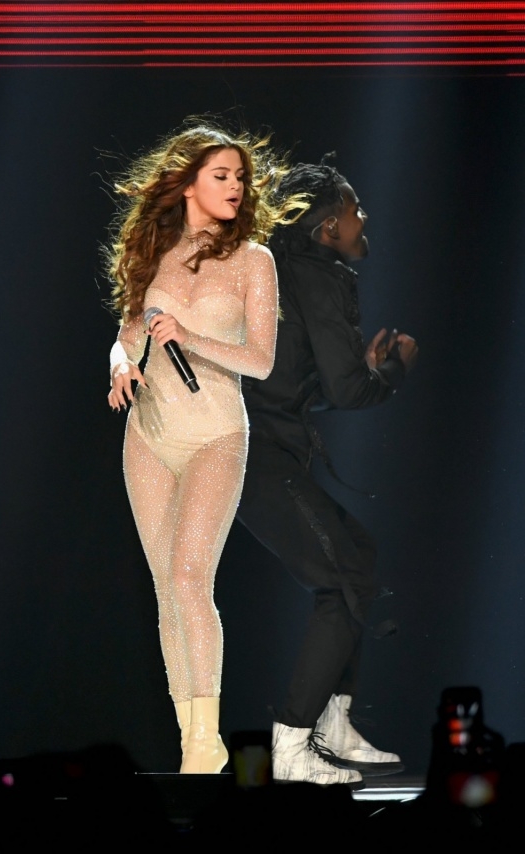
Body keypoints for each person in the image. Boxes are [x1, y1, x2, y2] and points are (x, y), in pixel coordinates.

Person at [104, 119, 307, 774]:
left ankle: (207, 740)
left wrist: (188, 337)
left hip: (216, 433)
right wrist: (120, 366)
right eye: (221, 175)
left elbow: (261, 360)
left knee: (192, 577)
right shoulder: (155, 251)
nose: (235, 186)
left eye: (240, 177)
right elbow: (128, 331)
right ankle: (191, 737)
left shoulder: (254, 261)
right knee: (167, 587)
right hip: (149, 433)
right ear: (188, 184)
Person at [236, 153, 419, 786]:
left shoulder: (287, 270)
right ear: (326, 226)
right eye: (354, 209)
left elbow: (291, 385)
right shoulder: (317, 274)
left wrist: (357, 370)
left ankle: (333, 722)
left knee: (357, 557)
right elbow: (347, 392)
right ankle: (292, 747)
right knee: (346, 582)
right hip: (255, 457)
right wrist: (392, 371)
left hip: (256, 451)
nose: (364, 217)